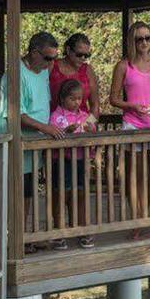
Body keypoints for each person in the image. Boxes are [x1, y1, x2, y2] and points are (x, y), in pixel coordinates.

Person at [0, 31, 65, 245]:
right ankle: (10, 237)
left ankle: (23, 235)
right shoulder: (15, 75)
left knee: (27, 190)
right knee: (13, 192)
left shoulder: (44, 70)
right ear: (33, 53)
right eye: (47, 58)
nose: (51, 63)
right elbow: (17, 114)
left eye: (54, 58)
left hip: (34, 143)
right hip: (15, 142)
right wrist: (46, 128)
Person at [108, 20, 150, 235]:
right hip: (133, 126)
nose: (144, 42)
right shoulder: (124, 66)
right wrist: (132, 106)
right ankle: (137, 222)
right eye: (139, 39)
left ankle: (145, 216)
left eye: (147, 38)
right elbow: (113, 99)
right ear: (131, 41)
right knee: (136, 177)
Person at [47, 78, 97, 248]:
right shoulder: (56, 116)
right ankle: (59, 232)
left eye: (79, 99)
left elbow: (93, 133)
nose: (77, 102)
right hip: (61, 162)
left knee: (81, 194)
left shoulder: (85, 116)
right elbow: (52, 134)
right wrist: (65, 132)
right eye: (72, 98)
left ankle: (82, 230)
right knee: (61, 195)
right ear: (62, 99)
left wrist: (91, 130)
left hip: (80, 161)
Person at [50, 31, 97, 115]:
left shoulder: (87, 70)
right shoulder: (52, 66)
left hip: (82, 124)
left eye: (86, 56)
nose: (83, 58)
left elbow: (95, 105)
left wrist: (88, 125)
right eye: (79, 54)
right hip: (55, 123)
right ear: (68, 50)